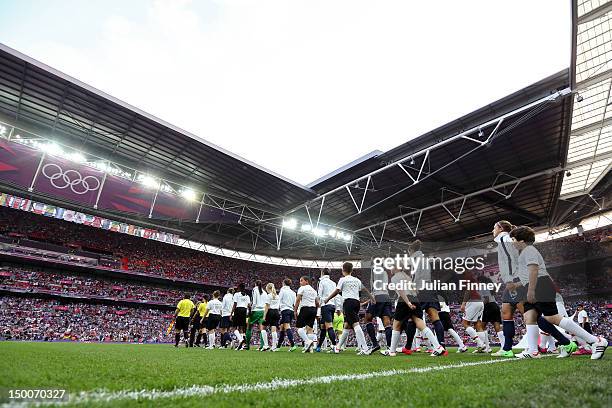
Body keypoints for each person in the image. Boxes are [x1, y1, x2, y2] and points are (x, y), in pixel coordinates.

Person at [510, 226, 607, 360]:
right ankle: (533, 351)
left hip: (540, 285)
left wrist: (531, 290)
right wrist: (518, 285)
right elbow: (529, 274)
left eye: (513, 239)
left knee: (552, 318)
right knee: (530, 317)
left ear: (521, 240)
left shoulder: (529, 250)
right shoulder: (525, 252)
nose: (512, 242)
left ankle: (596, 341)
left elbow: (534, 270)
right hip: (535, 285)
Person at [381, 267, 445, 357]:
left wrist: (408, 302)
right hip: (415, 298)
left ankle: (392, 351)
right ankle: (438, 347)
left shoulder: (395, 277)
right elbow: (416, 290)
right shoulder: (406, 276)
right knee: (420, 323)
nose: (390, 268)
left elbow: (401, 290)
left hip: (404, 300)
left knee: (396, 325)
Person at [325, 262, 375, 355]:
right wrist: (372, 298)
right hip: (356, 302)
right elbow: (364, 289)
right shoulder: (356, 280)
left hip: (348, 303)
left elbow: (337, 291)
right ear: (351, 270)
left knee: (356, 324)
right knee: (347, 325)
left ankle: (365, 348)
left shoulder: (342, 280)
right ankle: (338, 347)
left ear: (343, 270)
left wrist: (327, 299)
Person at [411, 241, 447, 354]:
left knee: (413, 317)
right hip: (430, 288)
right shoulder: (424, 258)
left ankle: (410, 346)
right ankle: (441, 345)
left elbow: (417, 276)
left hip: (421, 290)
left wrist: (413, 288)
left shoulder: (416, 259)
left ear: (410, 251)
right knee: (435, 318)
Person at [364, 261, 394, 353]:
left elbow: (373, 285)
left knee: (367, 319)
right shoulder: (385, 272)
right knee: (387, 323)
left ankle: (375, 344)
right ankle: (389, 347)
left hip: (377, 296)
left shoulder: (374, 270)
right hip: (386, 296)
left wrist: (372, 297)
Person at [294, 275, 320, 353]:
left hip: (305, 308)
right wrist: (317, 312)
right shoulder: (314, 290)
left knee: (298, 328)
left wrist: (295, 310)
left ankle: (307, 341)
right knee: (310, 329)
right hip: (313, 309)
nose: (300, 282)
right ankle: (310, 349)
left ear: (306, 281)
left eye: (301, 280)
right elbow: (317, 303)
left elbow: (298, 300)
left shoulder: (302, 288)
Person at [316, 268, 338, 352]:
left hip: (325, 305)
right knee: (323, 327)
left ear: (322, 273)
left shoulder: (322, 282)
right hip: (332, 305)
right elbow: (336, 295)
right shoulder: (333, 283)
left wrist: (318, 305)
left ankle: (335, 346)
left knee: (328, 326)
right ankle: (319, 346)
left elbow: (319, 295)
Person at [245, 280, 267, 351]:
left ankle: (247, 345)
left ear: (255, 284)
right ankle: (262, 346)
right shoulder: (264, 292)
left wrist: (250, 310)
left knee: (249, 327)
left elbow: (254, 302)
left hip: (255, 311)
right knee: (262, 329)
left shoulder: (255, 290)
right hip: (262, 311)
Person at [277, 278, 297, 351]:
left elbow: (279, 300)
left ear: (283, 283)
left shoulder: (282, 290)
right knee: (282, 327)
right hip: (291, 310)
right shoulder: (293, 292)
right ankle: (278, 347)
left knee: (287, 326)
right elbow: (295, 304)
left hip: (285, 310)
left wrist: (277, 309)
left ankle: (292, 345)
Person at [231, 283, 250, 350]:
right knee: (241, 328)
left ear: (239, 288)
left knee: (234, 327)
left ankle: (241, 340)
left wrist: (231, 314)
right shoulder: (247, 296)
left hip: (238, 310)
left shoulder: (236, 294)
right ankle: (241, 346)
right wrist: (249, 313)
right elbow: (249, 305)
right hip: (244, 310)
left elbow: (235, 304)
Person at [263, 282, 280, 351]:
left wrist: (264, 316)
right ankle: (274, 346)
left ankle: (266, 345)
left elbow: (267, 306)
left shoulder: (269, 295)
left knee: (263, 328)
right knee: (274, 329)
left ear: (268, 288)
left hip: (270, 312)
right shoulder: (277, 296)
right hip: (276, 312)